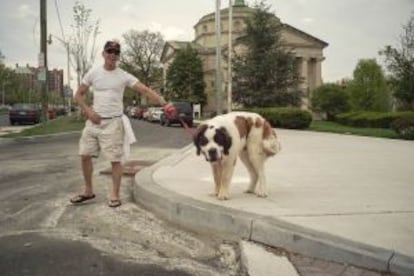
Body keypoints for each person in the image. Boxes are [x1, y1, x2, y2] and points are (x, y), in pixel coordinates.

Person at [70, 40, 168, 208]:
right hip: (93, 122)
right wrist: (89, 112)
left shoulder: (123, 75)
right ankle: (88, 191)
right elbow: (78, 95)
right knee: (85, 155)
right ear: (103, 54)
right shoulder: (93, 73)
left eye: (116, 53)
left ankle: (115, 194)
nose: (112, 55)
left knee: (115, 160)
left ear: (118, 57)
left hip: (113, 123)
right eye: (109, 51)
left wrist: (163, 103)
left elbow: (144, 89)